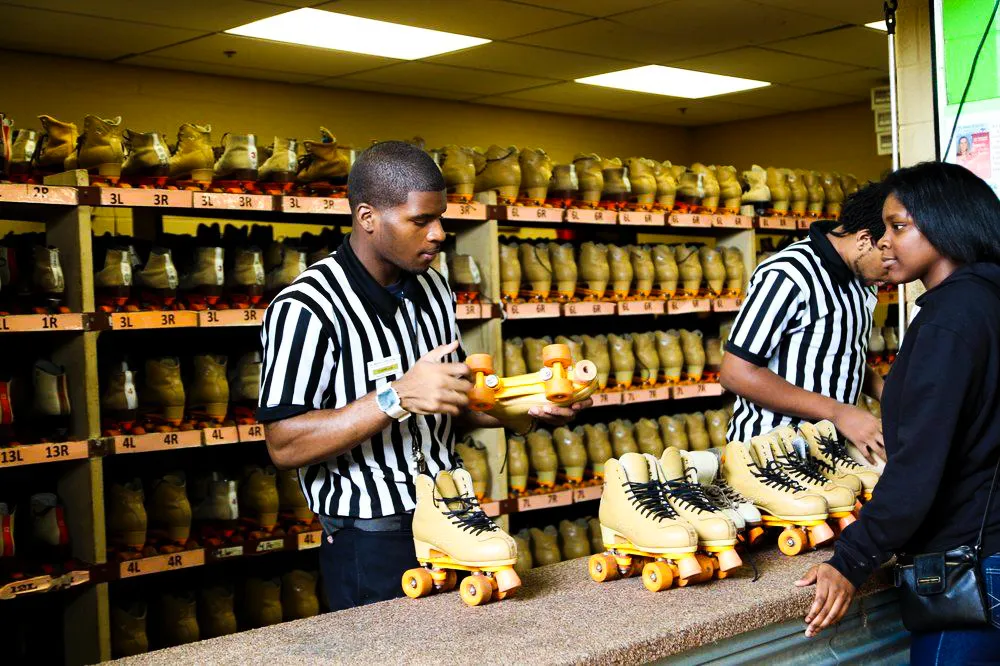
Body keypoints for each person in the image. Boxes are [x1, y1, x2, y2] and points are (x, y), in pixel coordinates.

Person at [256, 141, 587, 610]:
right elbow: (284, 444)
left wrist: (525, 410)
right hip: (371, 538)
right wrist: (395, 398)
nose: (438, 234)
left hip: (455, 516)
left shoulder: (433, 286)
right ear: (368, 217)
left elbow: (453, 402)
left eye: (441, 218)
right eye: (420, 221)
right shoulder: (306, 307)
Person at [798, 161, 1000, 662]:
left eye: (899, 226)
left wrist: (850, 560)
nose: (884, 241)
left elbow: (919, 467)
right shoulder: (988, 301)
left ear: (947, 224)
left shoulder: (948, 322)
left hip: (969, 565)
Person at [720, 183, 890, 462]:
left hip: (826, 451)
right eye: (888, 261)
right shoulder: (788, 274)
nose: (891, 273)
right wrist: (839, 412)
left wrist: (885, 392)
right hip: (771, 454)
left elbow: (838, 351)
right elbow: (735, 373)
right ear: (864, 239)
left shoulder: (863, 279)